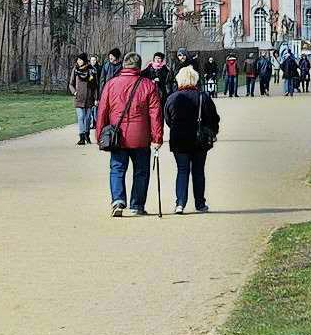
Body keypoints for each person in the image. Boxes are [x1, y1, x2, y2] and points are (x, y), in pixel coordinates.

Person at [94, 52, 162, 217]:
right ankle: (137, 205)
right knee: (141, 171)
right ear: (139, 67)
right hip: (141, 136)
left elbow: (102, 111)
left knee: (117, 168)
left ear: (123, 65)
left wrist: (99, 135)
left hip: (118, 135)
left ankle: (118, 200)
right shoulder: (148, 85)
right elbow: (155, 114)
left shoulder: (111, 84)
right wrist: (157, 138)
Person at [164, 65, 220, 214]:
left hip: (179, 139)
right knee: (198, 171)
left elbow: (168, 118)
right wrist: (213, 132)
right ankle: (200, 203)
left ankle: (180, 203)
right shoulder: (203, 97)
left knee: (182, 171)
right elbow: (213, 118)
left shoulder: (173, 98)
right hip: (199, 139)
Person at [68, 52, 98, 145]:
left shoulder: (91, 70)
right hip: (79, 98)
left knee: (88, 118)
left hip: (89, 98)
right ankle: (81, 137)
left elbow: (95, 86)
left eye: (80, 60)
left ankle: (87, 135)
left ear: (84, 60)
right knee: (81, 117)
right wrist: (74, 92)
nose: (78, 61)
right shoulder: (75, 70)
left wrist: (96, 98)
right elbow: (70, 84)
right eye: (78, 59)